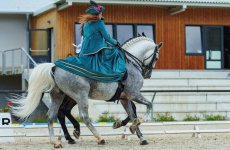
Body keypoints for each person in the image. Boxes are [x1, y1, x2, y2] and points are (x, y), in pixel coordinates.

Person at [55, 0, 126, 82]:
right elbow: (106, 36)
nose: (101, 15)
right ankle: (114, 74)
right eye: (101, 13)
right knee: (115, 52)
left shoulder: (86, 23)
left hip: (84, 50)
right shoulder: (99, 23)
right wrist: (115, 42)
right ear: (98, 14)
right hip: (96, 48)